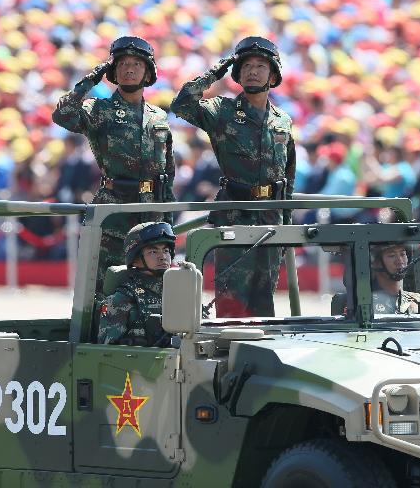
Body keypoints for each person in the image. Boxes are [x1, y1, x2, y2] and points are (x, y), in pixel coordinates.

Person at [171, 36, 295, 318]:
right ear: (237, 74)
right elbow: (182, 104)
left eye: (260, 66)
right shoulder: (222, 111)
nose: (253, 71)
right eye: (246, 65)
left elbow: (289, 175)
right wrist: (219, 68)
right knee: (232, 299)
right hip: (235, 213)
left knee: (264, 299)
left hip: (270, 217)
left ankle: (259, 356)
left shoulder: (282, 120)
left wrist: (287, 224)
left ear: (273, 75)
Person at [52, 36, 175, 293]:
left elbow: (168, 169)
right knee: (104, 285)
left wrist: (168, 214)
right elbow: (62, 115)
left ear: (148, 71)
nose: (129, 69)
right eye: (122, 64)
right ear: (113, 72)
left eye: (137, 64)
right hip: (113, 209)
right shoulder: (99, 110)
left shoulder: (159, 116)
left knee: (153, 285)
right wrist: (91, 79)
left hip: (151, 208)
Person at [98, 222, 175, 346]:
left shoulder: (180, 291)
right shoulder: (120, 300)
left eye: (166, 250)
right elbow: (108, 353)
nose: (163, 257)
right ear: (135, 259)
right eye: (153, 252)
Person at [370, 243, 420, 314]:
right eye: (392, 256)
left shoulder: (415, 299)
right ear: (376, 263)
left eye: (402, 254)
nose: (400, 261)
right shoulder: (369, 301)